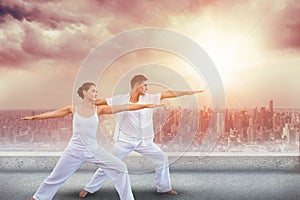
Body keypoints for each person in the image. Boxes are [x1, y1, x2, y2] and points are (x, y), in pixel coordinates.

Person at [21, 82, 163, 200]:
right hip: (74, 150)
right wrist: (34, 118)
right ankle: (38, 198)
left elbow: (126, 107)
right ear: (84, 92)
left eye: (97, 92)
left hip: (93, 149)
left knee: (120, 167)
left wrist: (147, 105)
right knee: (55, 177)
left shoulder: (99, 109)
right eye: (93, 91)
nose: (96, 94)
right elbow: (53, 114)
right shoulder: (73, 108)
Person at [79, 75, 203, 197]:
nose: (147, 88)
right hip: (124, 141)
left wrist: (189, 92)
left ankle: (164, 188)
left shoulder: (149, 98)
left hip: (145, 142)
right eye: (144, 85)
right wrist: (86, 102)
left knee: (161, 158)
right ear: (137, 85)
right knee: (109, 163)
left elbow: (168, 93)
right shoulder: (120, 99)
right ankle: (89, 188)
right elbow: (100, 102)